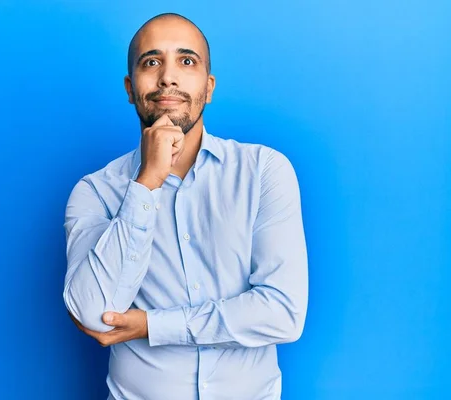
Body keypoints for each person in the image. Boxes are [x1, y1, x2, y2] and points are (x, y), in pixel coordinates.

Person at [62, 12, 308, 400]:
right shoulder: (95, 191)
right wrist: (146, 184)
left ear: (208, 87)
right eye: (152, 62)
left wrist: (152, 326)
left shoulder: (264, 171)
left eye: (186, 61)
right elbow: (94, 314)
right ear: (130, 87)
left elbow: (283, 314)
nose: (168, 78)